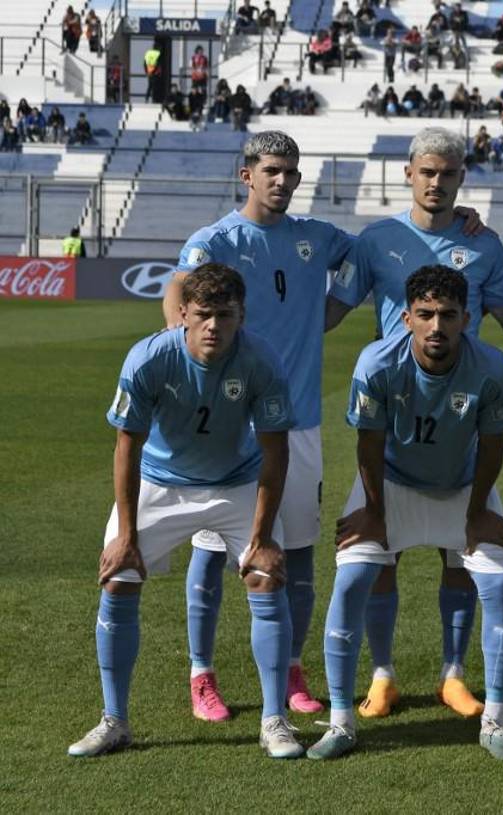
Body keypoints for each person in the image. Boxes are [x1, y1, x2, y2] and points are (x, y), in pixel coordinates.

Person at [325, 127, 503, 720]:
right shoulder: (377, 240)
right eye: (427, 172)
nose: (437, 183)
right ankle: (383, 673)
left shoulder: (484, 246)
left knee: (458, 556)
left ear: (462, 178)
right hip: (394, 414)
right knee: (378, 555)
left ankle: (454, 673)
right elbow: (333, 311)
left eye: (448, 173)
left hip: (460, 415)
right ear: (408, 175)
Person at [68, 264, 301, 759]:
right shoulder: (149, 359)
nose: (214, 325)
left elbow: (276, 452)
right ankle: (114, 720)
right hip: (161, 484)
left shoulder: (262, 360)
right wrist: (127, 535)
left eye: (225, 315)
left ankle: (274, 720)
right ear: (182, 315)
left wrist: (261, 537)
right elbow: (126, 448)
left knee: (265, 575)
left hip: (236, 484)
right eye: (203, 315)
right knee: (119, 577)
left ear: (242, 316)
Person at [162, 132, 355, 722]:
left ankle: (291, 670)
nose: (283, 181)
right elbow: (178, 293)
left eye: (291, 172)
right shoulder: (216, 240)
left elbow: (370, 257)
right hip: (230, 426)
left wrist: (325, 316)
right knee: (211, 549)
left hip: (296, 422)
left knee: (295, 551)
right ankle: (202, 675)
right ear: (247, 175)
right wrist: (189, 356)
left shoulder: (317, 238)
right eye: (272, 170)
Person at [308, 265, 503, 761]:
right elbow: (369, 443)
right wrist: (375, 512)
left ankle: (494, 720)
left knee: (494, 584)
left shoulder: (490, 366)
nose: (436, 326)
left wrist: (476, 514)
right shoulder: (377, 363)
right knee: (352, 578)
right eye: (425, 314)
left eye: (448, 315)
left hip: (465, 486)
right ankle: (343, 719)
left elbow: (492, 448)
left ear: (467, 318)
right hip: (390, 485)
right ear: (405, 318)